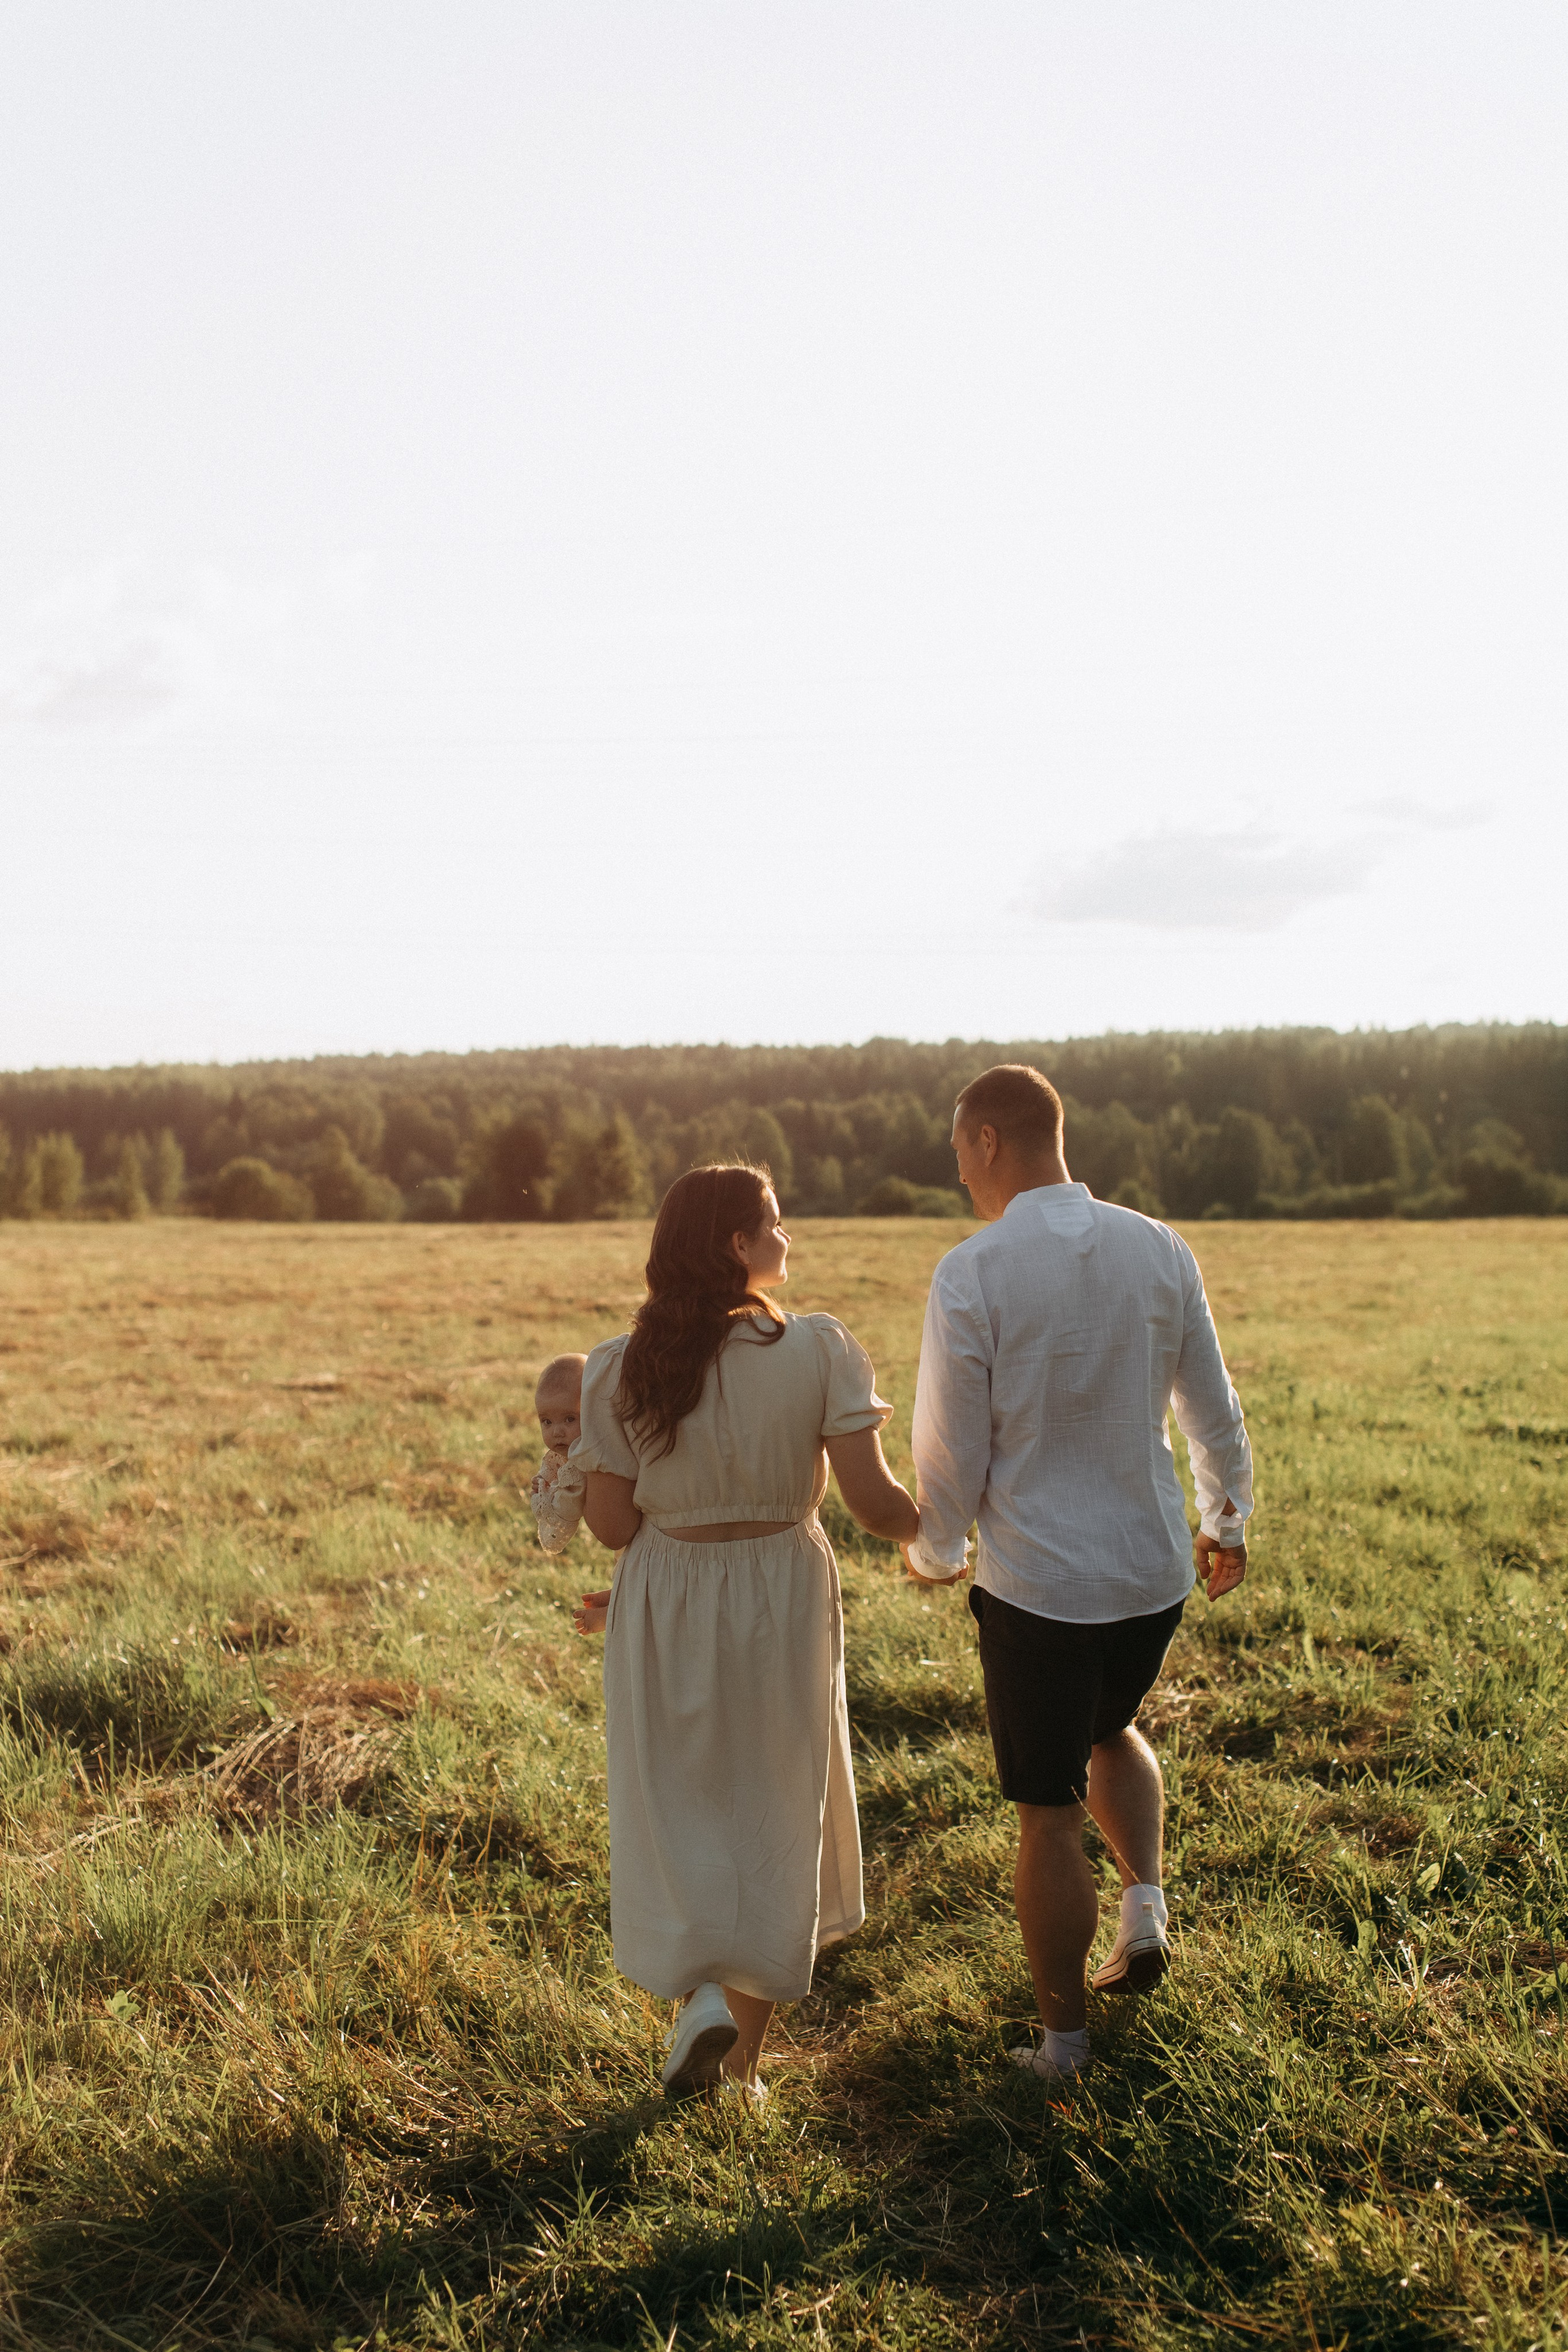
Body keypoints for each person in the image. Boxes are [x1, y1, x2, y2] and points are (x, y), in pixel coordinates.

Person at [906, 1064, 1253, 2084]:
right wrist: (1223, 1519)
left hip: (1041, 1590)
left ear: (985, 1142)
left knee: (1048, 1810)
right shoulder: (1159, 1247)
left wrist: (935, 1550)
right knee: (1111, 1728)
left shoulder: (972, 1273)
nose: (960, 1173)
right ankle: (1144, 1903)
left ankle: (1061, 2049)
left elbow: (949, 1454)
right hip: (1151, 1575)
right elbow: (1213, 1408)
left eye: (958, 1152)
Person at [570, 1162, 919, 2101]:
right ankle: (742, 2066)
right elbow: (876, 1502)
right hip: (780, 1593)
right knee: (775, 1809)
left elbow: (609, 1526)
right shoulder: (818, 1350)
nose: (787, 1236)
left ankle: (701, 2007)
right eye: (774, 1221)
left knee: (678, 1803)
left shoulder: (620, 1364)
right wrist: (941, 1531)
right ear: (737, 1245)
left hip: (668, 1592)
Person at [528, 1354, 589, 1555]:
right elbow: (555, 1476)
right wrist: (546, 1484)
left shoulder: (586, 1457)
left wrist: (549, 1496)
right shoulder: (562, 1457)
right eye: (547, 1422)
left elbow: (569, 1508)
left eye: (570, 1419)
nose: (557, 1432)